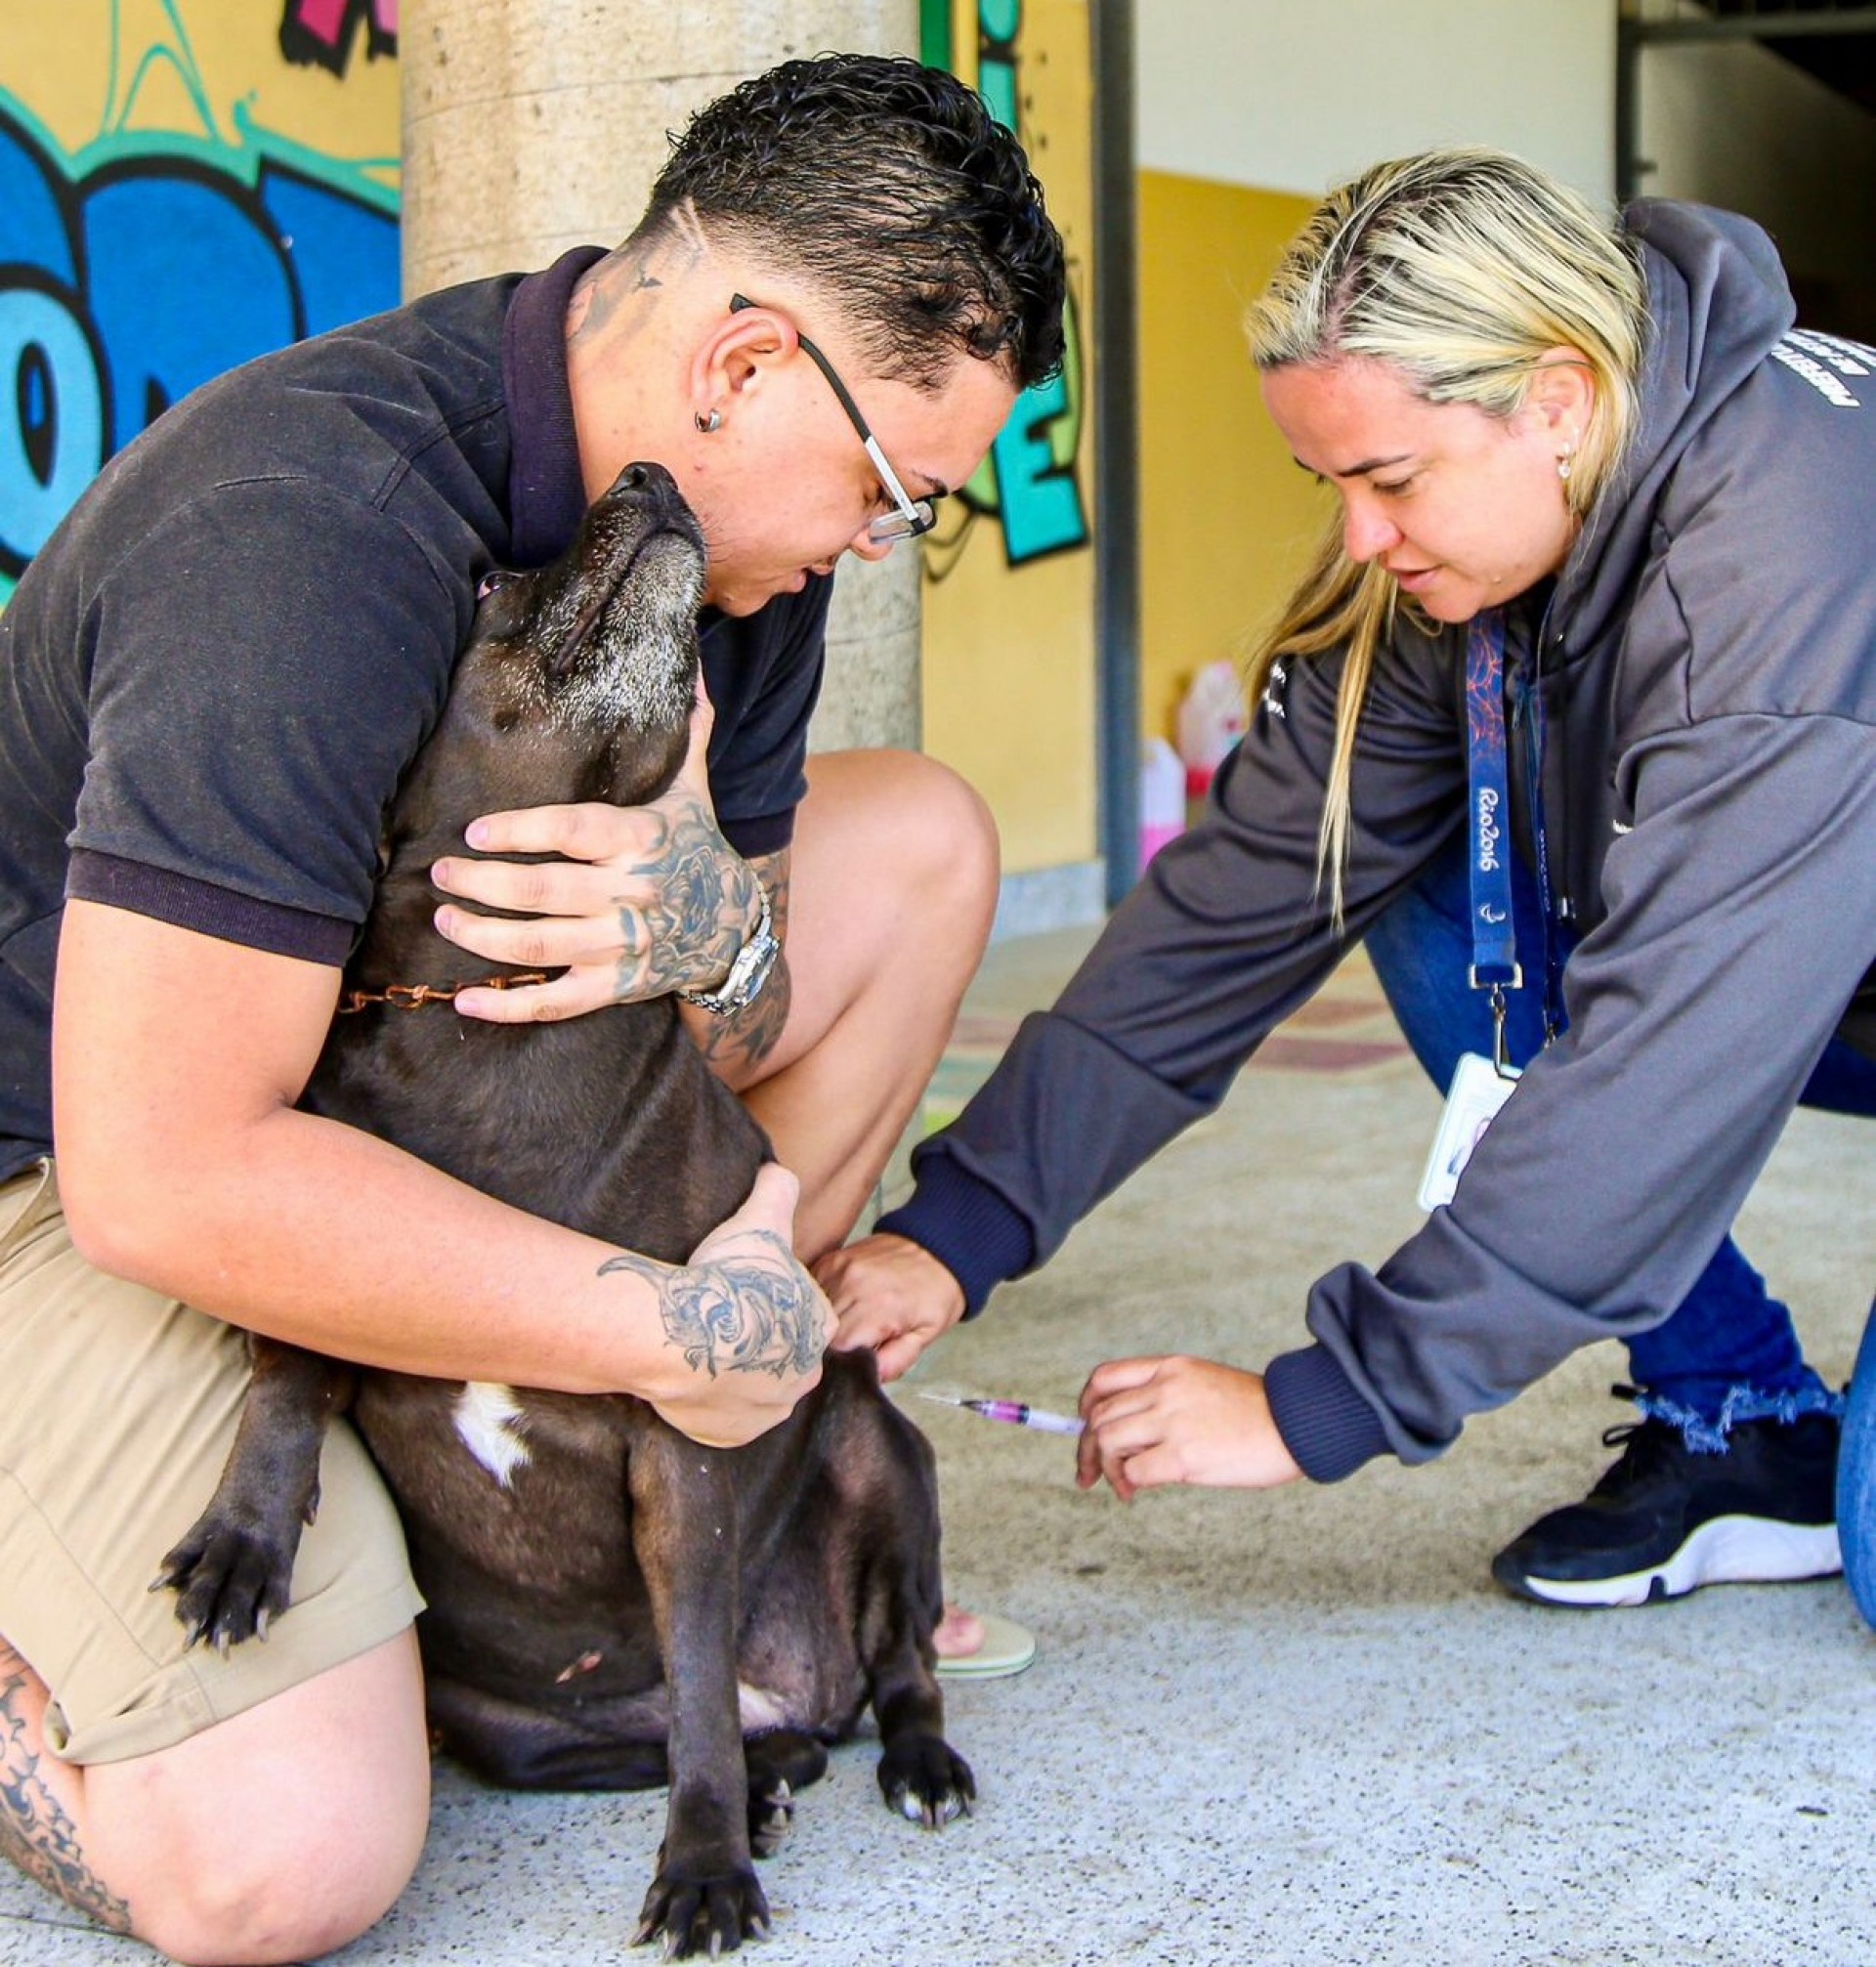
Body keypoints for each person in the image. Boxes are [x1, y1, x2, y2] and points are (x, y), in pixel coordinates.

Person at [0, 52, 1064, 1964]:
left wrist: (711, 935)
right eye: (900, 490)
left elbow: (728, 1041)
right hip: (67, 1158)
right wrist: (674, 1322)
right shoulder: (303, 537)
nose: (874, 540)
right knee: (281, 1853)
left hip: (416, 1103)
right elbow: (165, 1174)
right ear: (739, 369)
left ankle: (614, 1462)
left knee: (921, 846)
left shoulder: (729, 556)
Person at [824, 148, 1876, 1623]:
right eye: (1332, 485)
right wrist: (956, 1231)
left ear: (1556, 403)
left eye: (1389, 481)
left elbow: (1673, 1064)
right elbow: (1242, 906)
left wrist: (1324, 1402)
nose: (1362, 541)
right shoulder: (1492, 534)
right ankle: (1746, 1414)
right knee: (1420, 870)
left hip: (1795, 967)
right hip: (1806, 965)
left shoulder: (1774, 579)